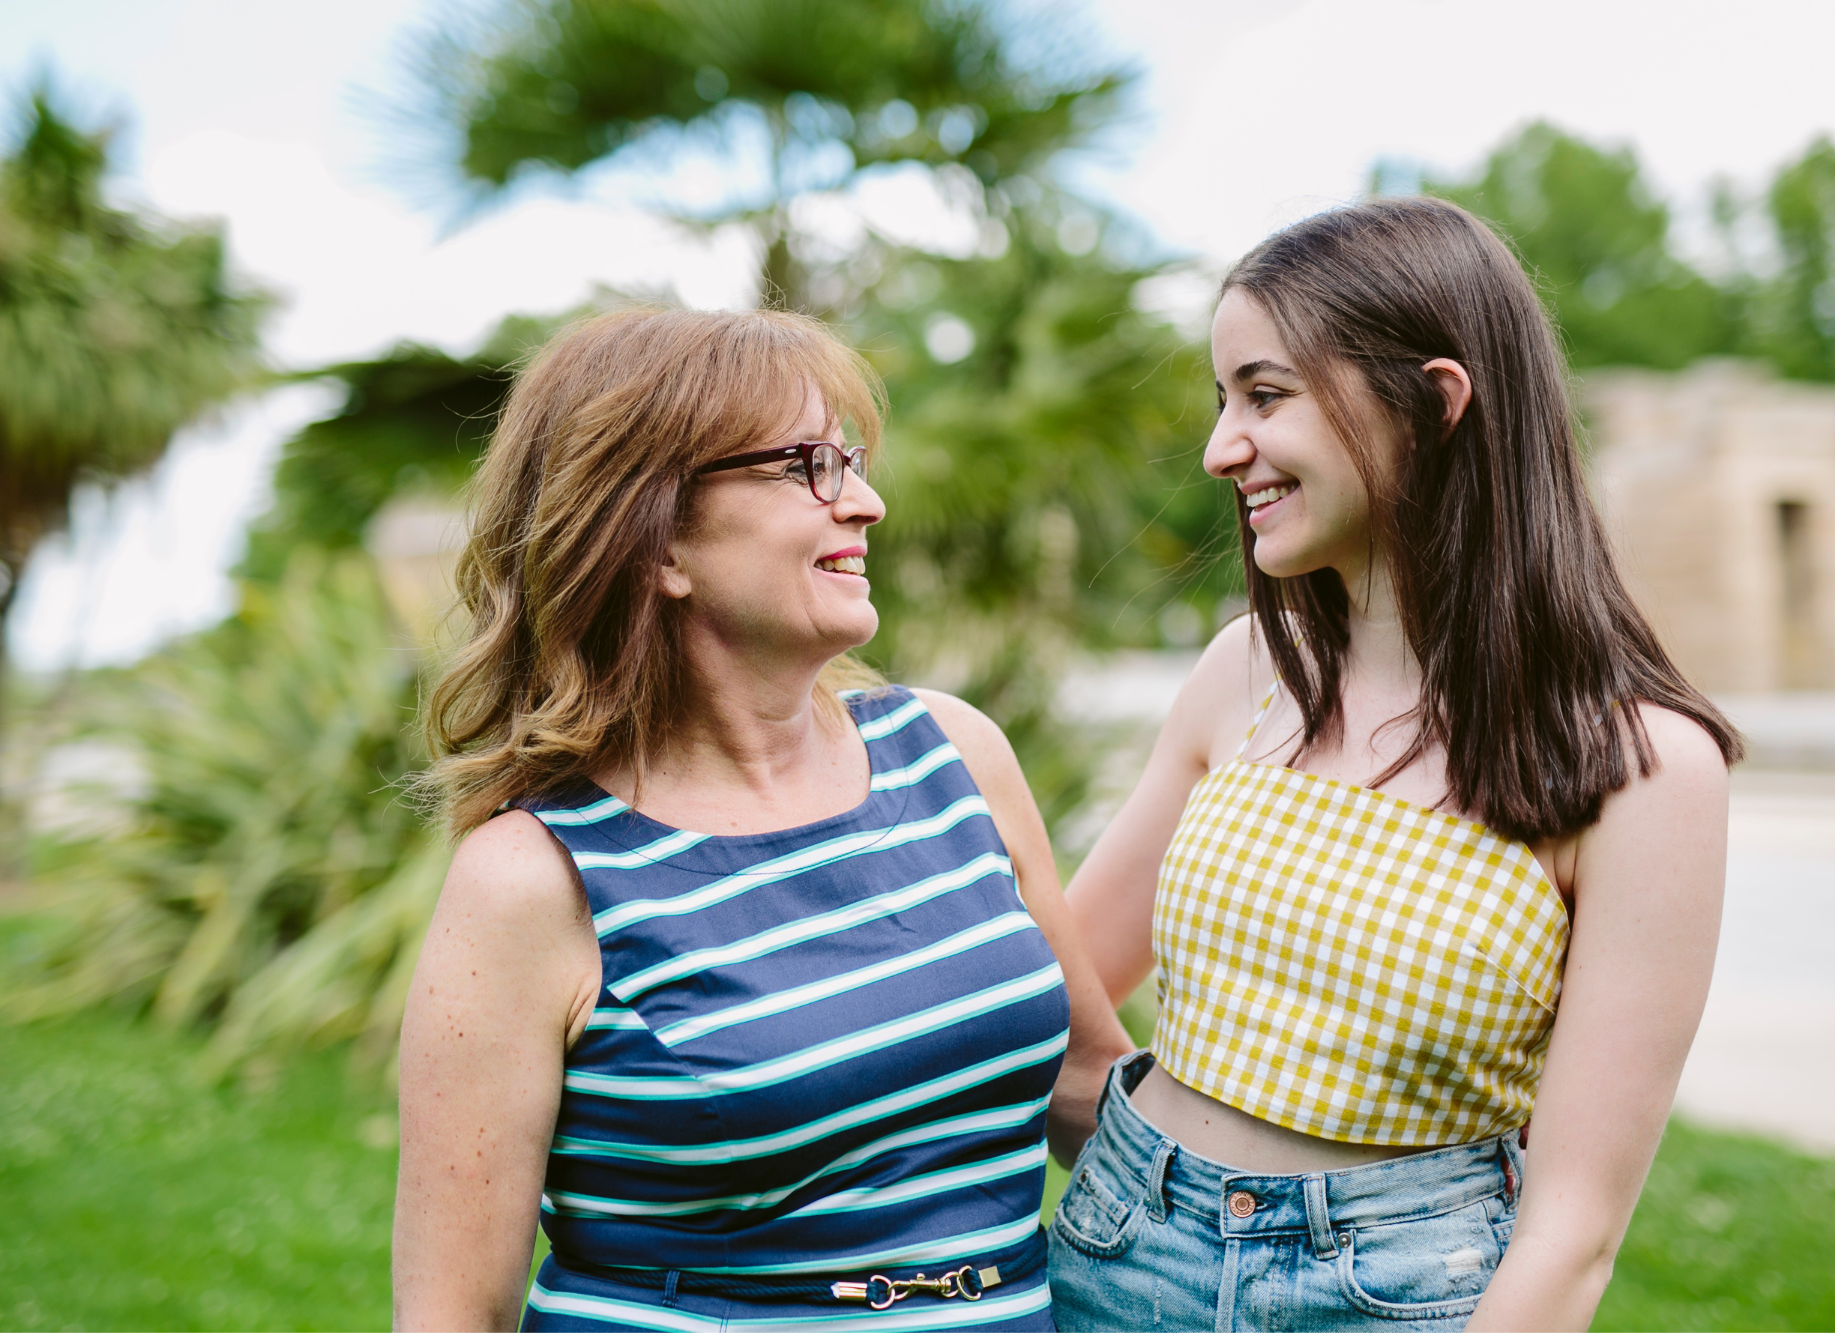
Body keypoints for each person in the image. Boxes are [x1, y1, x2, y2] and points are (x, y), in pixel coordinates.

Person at [1050, 197, 1740, 1331]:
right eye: (1223, 400)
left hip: (1394, 1296)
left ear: (1432, 401)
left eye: (1263, 395)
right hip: (1118, 1261)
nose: (1222, 446)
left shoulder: (1643, 766)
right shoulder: (1244, 672)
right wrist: (1144, 1169)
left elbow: (1572, 1229)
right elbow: (1057, 998)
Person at [391, 306, 1129, 1332]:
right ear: (655, 542)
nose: (864, 502)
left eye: (853, 459)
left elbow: (1094, 1092)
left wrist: (1354, 1147)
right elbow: (450, 1317)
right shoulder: (533, 879)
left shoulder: (955, 755)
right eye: (806, 466)